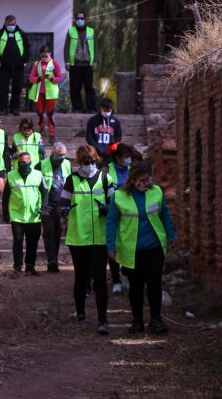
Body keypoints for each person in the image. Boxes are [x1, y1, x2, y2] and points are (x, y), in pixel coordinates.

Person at [106, 162, 177, 335]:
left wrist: (171, 234)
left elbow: (164, 214)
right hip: (132, 249)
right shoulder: (119, 196)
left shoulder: (156, 192)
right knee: (136, 286)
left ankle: (156, 319)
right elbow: (111, 222)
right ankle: (137, 321)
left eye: (148, 179)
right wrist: (111, 246)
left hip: (154, 247)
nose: (146, 183)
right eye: (142, 180)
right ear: (133, 180)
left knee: (154, 283)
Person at [60, 145, 114, 335]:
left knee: (99, 277)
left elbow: (114, 204)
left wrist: (107, 209)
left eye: (92, 162)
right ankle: (81, 315)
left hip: (99, 237)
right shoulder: (71, 180)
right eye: (85, 163)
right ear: (79, 163)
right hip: (78, 237)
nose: (89, 165)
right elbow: (63, 203)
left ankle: (102, 320)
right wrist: (64, 211)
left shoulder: (106, 179)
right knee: (81, 277)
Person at [2, 152, 49, 276]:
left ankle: (30, 266)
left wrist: (44, 207)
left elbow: (45, 192)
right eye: (20, 162)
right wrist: (5, 212)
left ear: (30, 163)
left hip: (34, 216)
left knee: (32, 242)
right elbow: (6, 195)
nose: (22, 164)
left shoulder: (38, 175)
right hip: (17, 215)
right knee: (17, 241)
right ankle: (17, 267)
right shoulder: (11, 175)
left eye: (24, 162)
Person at [35, 142, 71, 273]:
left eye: (64, 155)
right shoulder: (42, 165)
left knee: (57, 231)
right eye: (59, 155)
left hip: (61, 203)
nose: (62, 157)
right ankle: (52, 260)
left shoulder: (67, 164)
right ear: (53, 154)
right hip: (47, 203)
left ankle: (54, 256)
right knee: (49, 231)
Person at [105, 142, 134, 293]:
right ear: (117, 158)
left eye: (130, 157)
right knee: (113, 246)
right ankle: (116, 279)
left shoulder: (131, 169)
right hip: (113, 212)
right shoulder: (108, 170)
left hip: (130, 214)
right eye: (125, 157)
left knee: (129, 245)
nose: (128, 160)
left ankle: (126, 273)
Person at [0, 15, 30, 115]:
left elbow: (27, 47)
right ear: (5, 23)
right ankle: (2, 109)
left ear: (16, 23)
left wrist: (25, 58)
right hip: (4, 67)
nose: (11, 26)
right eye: (9, 24)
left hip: (19, 66)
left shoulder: (21, 34)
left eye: (13, 24)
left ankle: (15, 108)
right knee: (3, 88)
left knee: (17, 87)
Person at [64, 12, 97, 113]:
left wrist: (95, 61)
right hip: (75, 65)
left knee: (89, 88)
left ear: (86, 20)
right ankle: (77, 108)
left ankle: (91, 109)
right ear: (75, 20)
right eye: (78, 18)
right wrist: (66, 62)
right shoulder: (70, 31)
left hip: (88, 65)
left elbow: (95, 47)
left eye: (82, 18)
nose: (80, 20)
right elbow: (66, 47)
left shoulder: (91, 31)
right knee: (75, 88)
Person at [28, 45, 62, 143]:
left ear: (50, 54)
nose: (44, 57)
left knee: (50, 114)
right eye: (42, 55)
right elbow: (31, 78)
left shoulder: (55, 64)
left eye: (46, 55)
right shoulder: (36, 64)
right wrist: (39, 78)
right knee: (40, 112)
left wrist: (52, 78)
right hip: (39, 92)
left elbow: (59, 78)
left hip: (51, 93)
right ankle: (41, 129)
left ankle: (52, 134)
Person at [86, 98, 122, 162]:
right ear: (101, 108)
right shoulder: (92, 120)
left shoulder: (116, 121)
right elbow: (89, 137)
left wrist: (111, 148)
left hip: (110, 153)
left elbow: (118, 137)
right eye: (105, 110)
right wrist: (96, 148)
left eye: (109, 111)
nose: (107, 113)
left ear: (111, 109)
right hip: (96, 152)